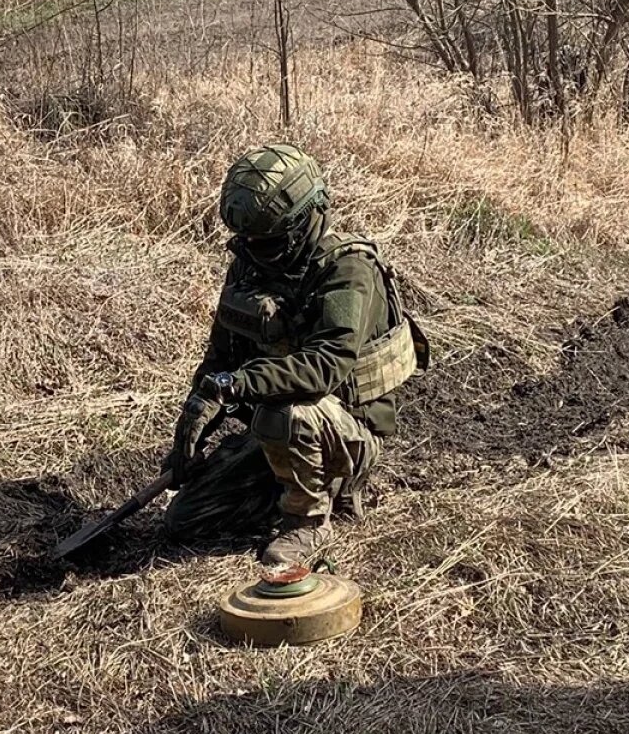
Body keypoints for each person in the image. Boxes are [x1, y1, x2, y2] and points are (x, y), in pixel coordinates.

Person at [162, 143, 429, 569]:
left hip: (346, 429)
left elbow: (326, 366)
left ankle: (309, 520)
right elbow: (221, 354)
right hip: (281, 428)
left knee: (284, 412)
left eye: (269, 242)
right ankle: (283, 480)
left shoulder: (348, 271)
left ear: (306, 220)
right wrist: (200, 410)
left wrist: (241, 384)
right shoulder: (250, 264)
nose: (255, 251)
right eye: (248, 241)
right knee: (185, 520)